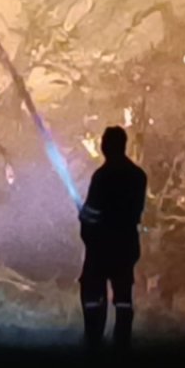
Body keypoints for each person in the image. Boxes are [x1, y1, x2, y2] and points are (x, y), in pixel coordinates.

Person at [78, 126, 147, 350]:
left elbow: (92, 212)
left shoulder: (102, 176)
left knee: (92, 291)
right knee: (123, 294)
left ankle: (93, 337)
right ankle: (122, 340)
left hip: (101, 246)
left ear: (106, 146)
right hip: (126, 245)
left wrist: (84, 217)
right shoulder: (138, 176)